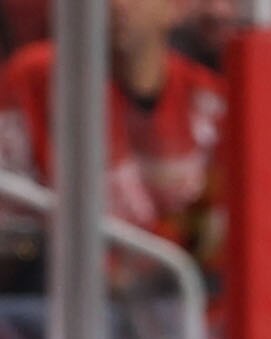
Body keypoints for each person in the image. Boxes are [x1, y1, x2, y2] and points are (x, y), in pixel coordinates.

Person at [0, 0, 225, 256]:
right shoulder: (36, 79)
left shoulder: (209, 100)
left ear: (176, 7)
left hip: (172, 274)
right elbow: (10, 224)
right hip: (58, 271)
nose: (117, 4)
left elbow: (220, 229)